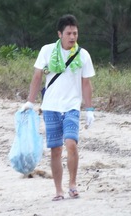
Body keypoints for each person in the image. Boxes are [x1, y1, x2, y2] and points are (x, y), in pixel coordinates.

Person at [23, 14, 95, 201]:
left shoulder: (83, 54)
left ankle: (72, 184)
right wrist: (30, 102)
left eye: (75, 33)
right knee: (55, 149)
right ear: (60, 34)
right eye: (69, 33)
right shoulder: (47, 51)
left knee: (71, 143)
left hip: (71, 106)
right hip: (51, 106)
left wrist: (89, 110)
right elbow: (37, 76)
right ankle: (58, 190)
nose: (72, 37)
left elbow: (86, 83)